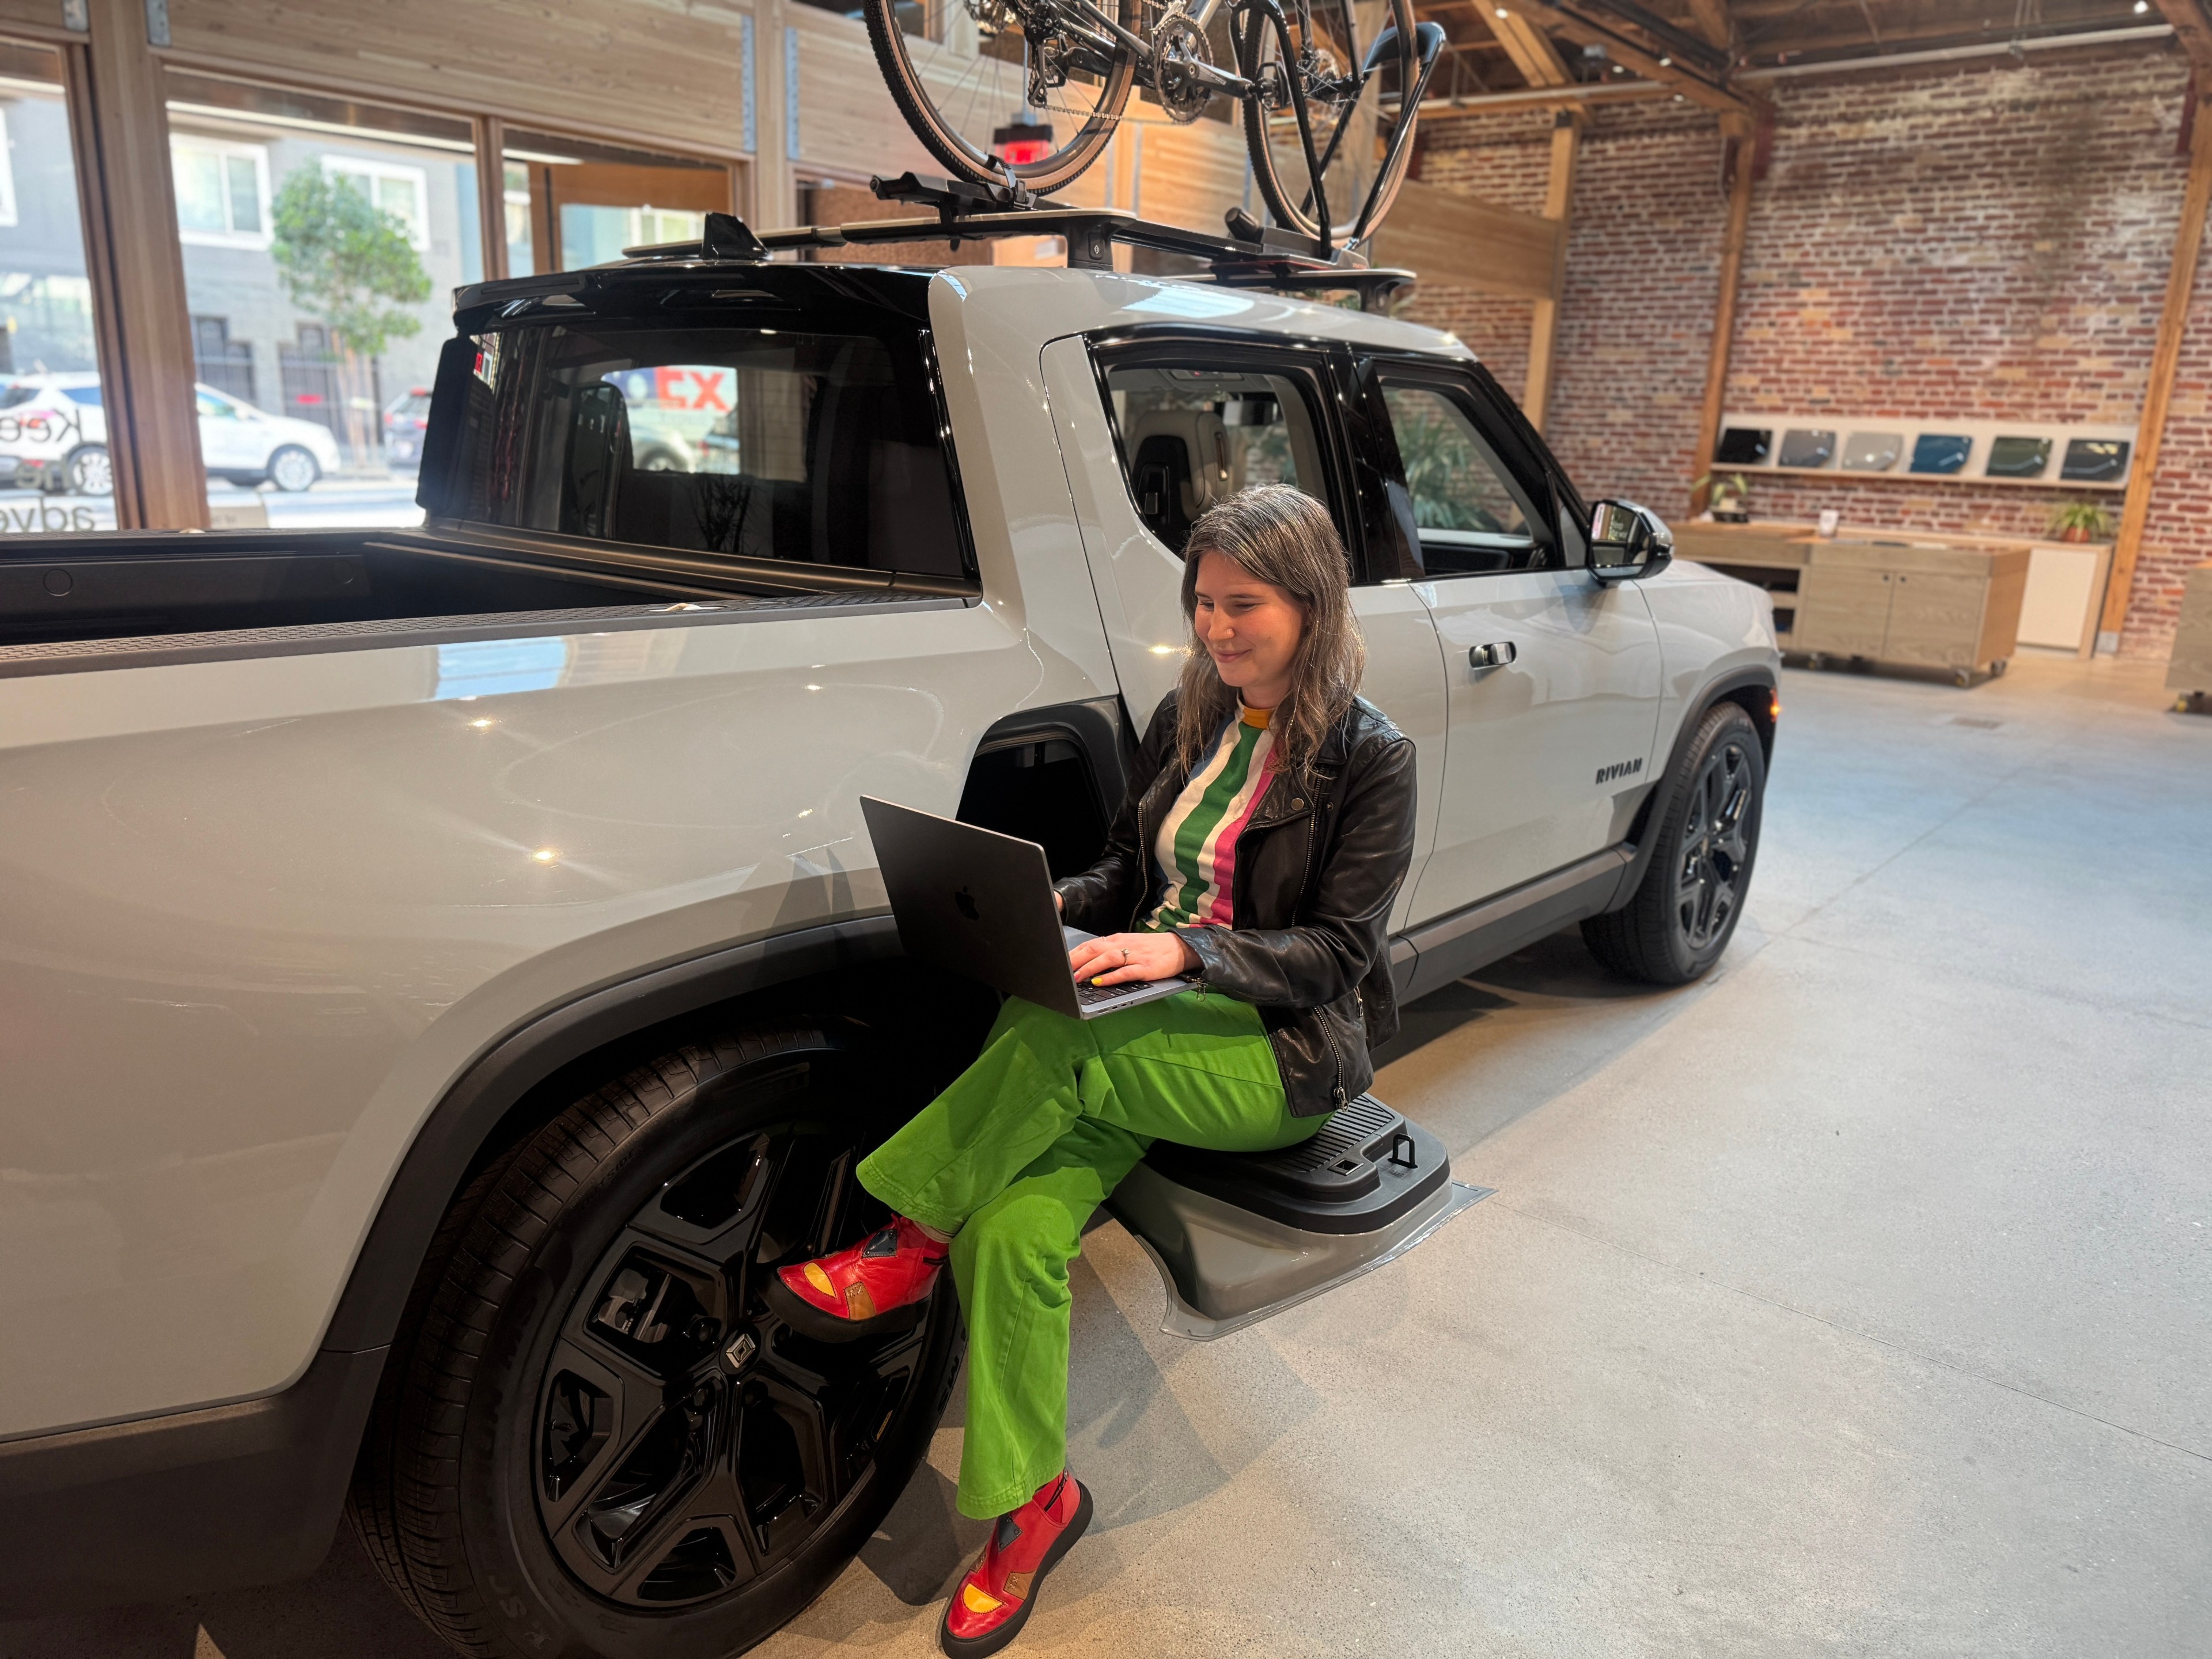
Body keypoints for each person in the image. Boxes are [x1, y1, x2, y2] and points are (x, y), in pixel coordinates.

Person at [770, 483, 1417, 1657]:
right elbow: (1128, 867)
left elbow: (1338, 954)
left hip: (1272, 1056)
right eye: (1204, 604)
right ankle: (1033, 1510)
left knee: (1059, 1027)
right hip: (1138, 1033)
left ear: (1314, 603)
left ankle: (907, 1238)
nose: (1218, 630)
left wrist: (1187, 949)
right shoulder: (1189, 718)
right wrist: (1047, 909)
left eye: (1246, 605)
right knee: (1014, 1234)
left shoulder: (1374, 759)